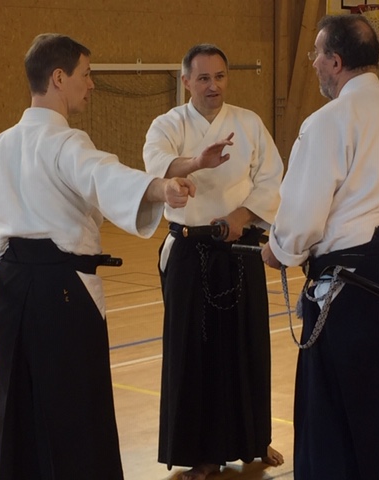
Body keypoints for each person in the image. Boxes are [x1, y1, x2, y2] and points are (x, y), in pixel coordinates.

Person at [0, 33, 209, 480]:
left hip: (9, 290)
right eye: (86, 74)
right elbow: (103, 176)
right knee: (76, 410)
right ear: (59, 78)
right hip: (62, 292)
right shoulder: (64, 143)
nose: (92, 84)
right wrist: (160, 188)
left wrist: (19, 269)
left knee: (16, 404)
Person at [262, 14, 379, 480]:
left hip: (351, 288)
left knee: (338, 417)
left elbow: (302, 215)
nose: (314, 64)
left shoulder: (328, 122)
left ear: (336, 61)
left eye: (317, 55)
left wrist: (278, 250)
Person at [143, 43, 285, 480]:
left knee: (247, 346)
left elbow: (271, 179)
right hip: (190, 251)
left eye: (220, 76)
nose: (213, 86)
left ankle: (253, 439)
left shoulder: (249, 123)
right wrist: (195, 163)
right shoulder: (168, 124)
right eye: (203, 78)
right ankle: (202, 452)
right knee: (195, 353)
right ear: (186, 81)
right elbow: (157, 165)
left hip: (239, 248)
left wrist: (241, 217)